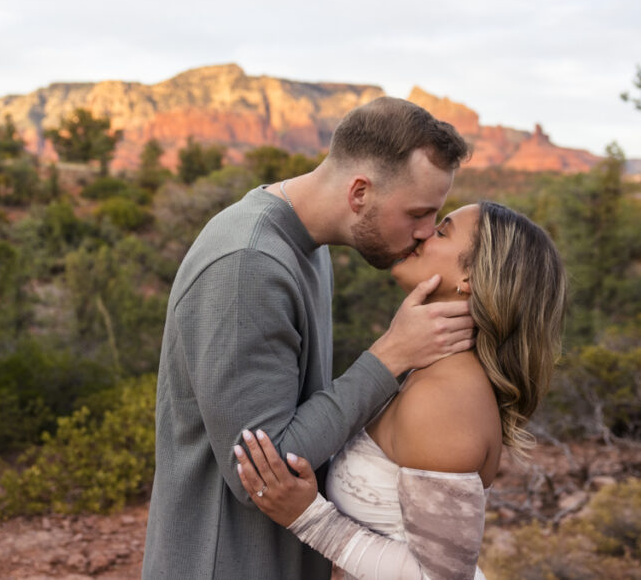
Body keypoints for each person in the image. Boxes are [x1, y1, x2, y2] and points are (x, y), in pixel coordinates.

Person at [142, 97, 474, 579]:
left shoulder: (308, 248)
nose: (425, 234)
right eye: (419, 213)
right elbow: (256, 471)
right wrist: (390, 355)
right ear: (360, 193)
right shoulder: (249, 266)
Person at [235, 201, 567, 579]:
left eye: (442, 231)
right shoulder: (428, 373)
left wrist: (309, 518)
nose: (423, 233)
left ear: (470, 278)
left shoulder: (444, 400)